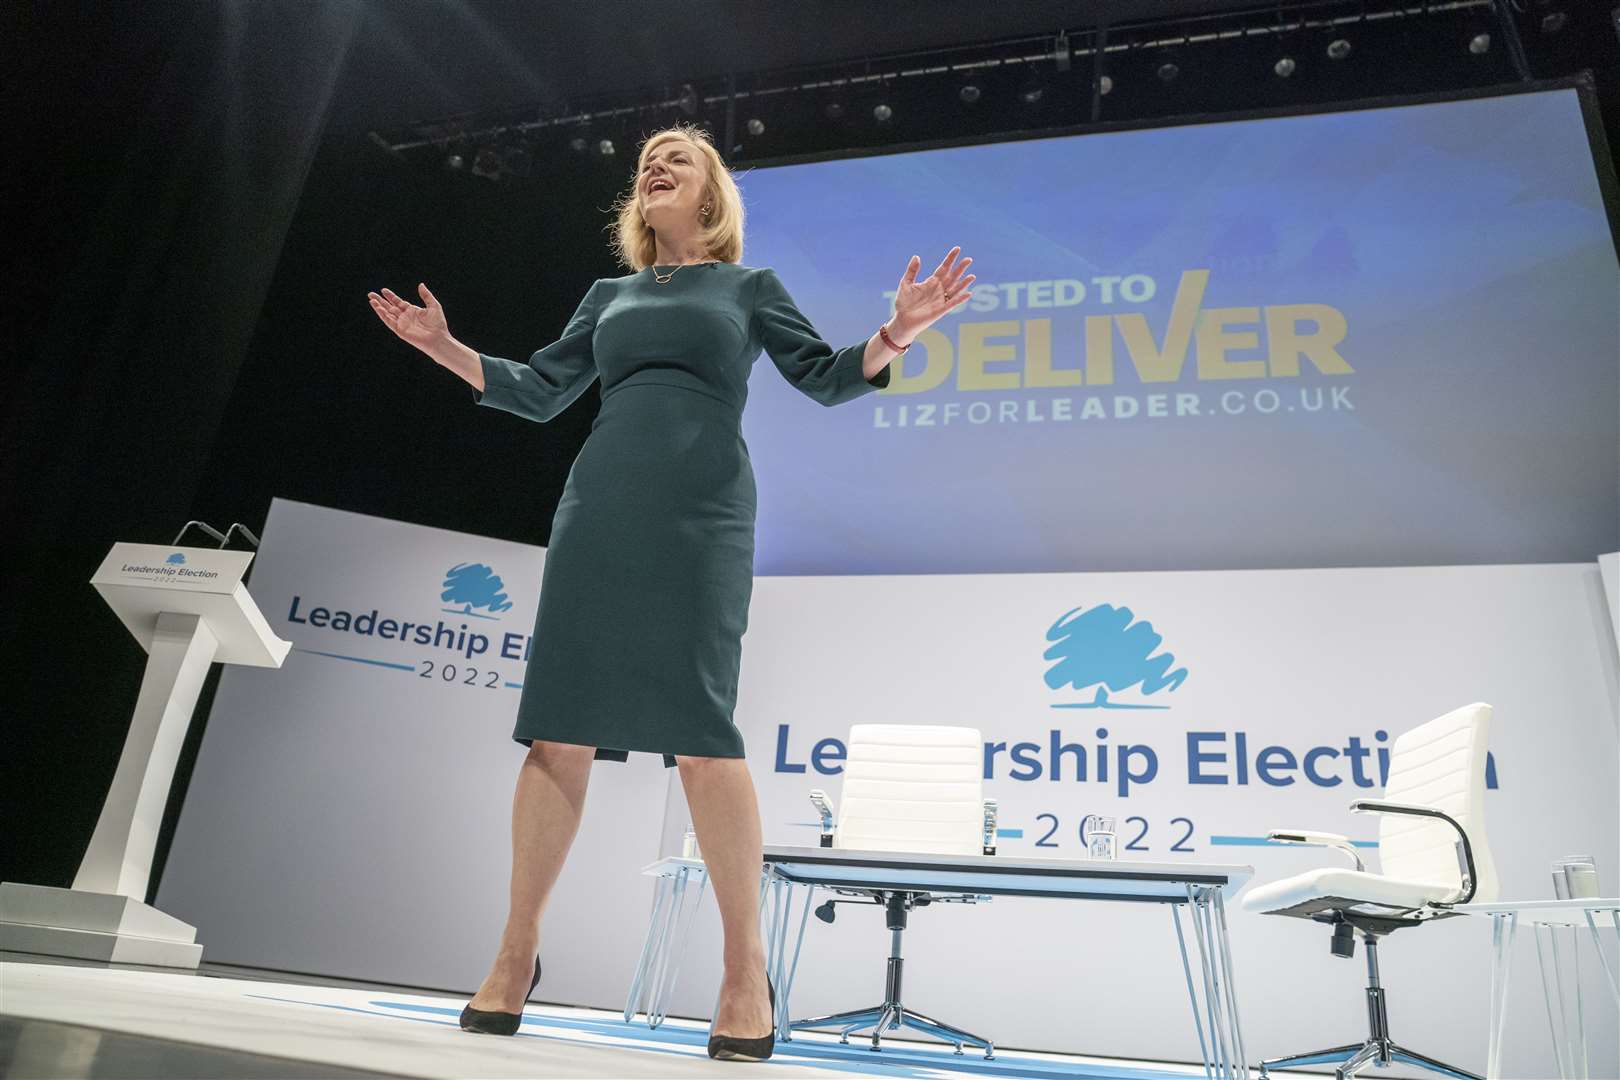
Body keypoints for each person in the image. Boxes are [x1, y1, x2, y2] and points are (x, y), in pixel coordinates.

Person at [367, 121, 974, 1061]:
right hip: (599, 513)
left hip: (702, 518)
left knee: (700, 732)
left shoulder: (748, 289)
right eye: (648, 160)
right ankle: (516, 950)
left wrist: (899, 329)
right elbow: (538, 390)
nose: (656, 164)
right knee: (559, 728)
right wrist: (445, 348)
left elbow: (821, 377)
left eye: (677, 158)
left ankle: (742, 972)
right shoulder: (607, 294)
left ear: (711, 193)